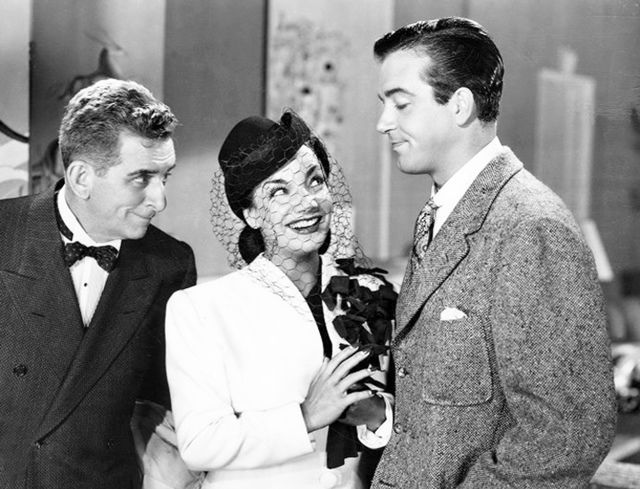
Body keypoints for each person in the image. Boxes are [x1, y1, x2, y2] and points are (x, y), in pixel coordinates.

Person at [371, 17, 617, 488]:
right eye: (383, 105)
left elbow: (568, 434)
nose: (384, 123)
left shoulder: (531, 227)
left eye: (400, 104)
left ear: (459, 105)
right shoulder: (441, 213)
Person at [166, 110, 395, 489]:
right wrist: (305, 416)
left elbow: (408, 416)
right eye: (279, 191)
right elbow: (199, 444)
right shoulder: (201, 310)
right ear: (251, 214)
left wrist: (376, 414)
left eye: (314, 181)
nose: (306, 203)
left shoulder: (373, 294)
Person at [0, 78, 197, 488]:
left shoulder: (171, 265)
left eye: (165, 177)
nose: (160, 200)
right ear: (81, 178)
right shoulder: (5, 234)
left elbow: (160, 403)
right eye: (141, 178)